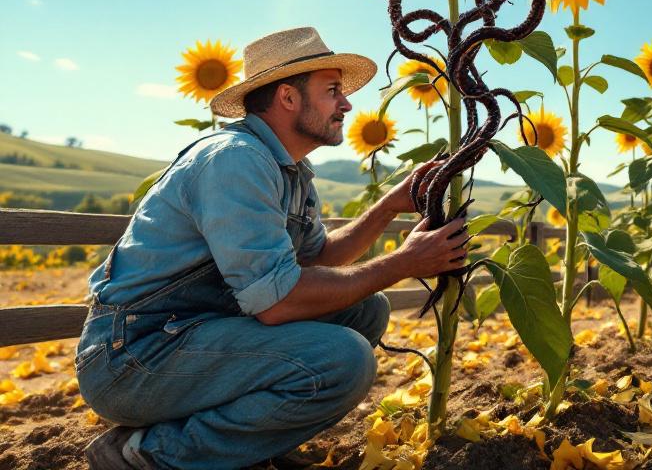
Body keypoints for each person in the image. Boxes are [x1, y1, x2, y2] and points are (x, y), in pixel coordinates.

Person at [78, 28, 470, 470]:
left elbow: (316, 260)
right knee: (343, 360)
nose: (346, 104)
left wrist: (389, 206)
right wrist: (404, 262)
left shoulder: (289, 169)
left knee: (365, 311)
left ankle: (243, 444)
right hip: (132, 359)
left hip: (191, 334)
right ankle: (146, 455)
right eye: (332, 91)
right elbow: (278, 303)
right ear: (287, 97)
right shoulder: (234, 160)